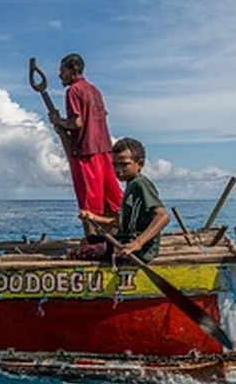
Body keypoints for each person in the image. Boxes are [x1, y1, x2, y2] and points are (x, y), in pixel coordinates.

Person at [47, 53, 123, 237]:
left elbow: (77, 123)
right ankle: (115, 235)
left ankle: (92, 242)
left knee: (89, 199)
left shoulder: (74, 90)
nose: (60, 76)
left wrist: (59, 121)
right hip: (104, 150)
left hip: (86, 152)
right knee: (111, 197)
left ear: (73, 70)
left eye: (62, 71)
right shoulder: (95, 90)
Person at [77, 137, 169, 261]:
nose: (119, 170)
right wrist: (93, 217)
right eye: (115, 165)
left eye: (124, 164)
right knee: (87, 241)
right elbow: (121, 222)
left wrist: (138, 243)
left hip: (140, 249)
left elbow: (163, 217)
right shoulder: (131, 185)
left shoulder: (140, 184)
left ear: (140, 164)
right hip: (125, 240)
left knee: (84, 252)